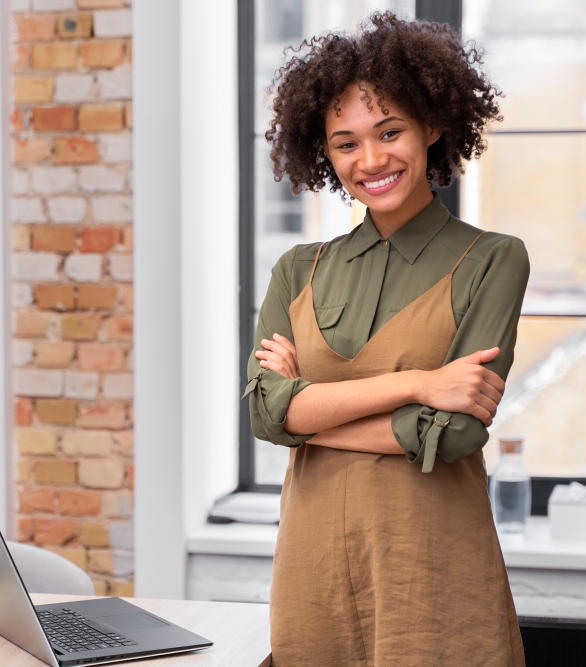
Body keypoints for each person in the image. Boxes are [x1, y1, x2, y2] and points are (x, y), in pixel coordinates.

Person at [243, 12, 529, 667]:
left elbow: (455, 433)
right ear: (324, 152)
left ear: (433, 125)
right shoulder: (297, 270)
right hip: (311, 577)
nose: (371, 160)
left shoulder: (493, 259)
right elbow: (264, 413)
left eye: (390, 131)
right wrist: (419, 384)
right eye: (346, 143)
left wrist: (304, 413)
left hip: (433, 578)